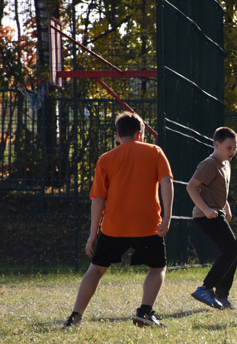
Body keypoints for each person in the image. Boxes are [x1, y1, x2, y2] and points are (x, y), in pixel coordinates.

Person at [64, 111, 174, 329]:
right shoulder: (155, 151)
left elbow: (98, 199)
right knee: (157, 268)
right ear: (140, 134)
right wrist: (167, 217)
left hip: (114, 226)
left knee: (95, 269)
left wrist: (93, 233)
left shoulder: (106, 159)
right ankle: (144, 312)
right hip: (147, 224)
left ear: (118, 136)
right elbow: (167, 183)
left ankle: (75, 317)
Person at [187, 127, 237, 311]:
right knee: (231, 249)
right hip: (206, 215)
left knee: (233, 250)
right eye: (229, 147)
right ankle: (205, 289)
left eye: (235, 148)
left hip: (217, 212)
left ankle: (222, 295)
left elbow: (219, 189)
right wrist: (207, 209)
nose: (233, 151)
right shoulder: (209, 164)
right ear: (216, 145)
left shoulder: (226, 163)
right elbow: (191, 187)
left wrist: (226, 206)